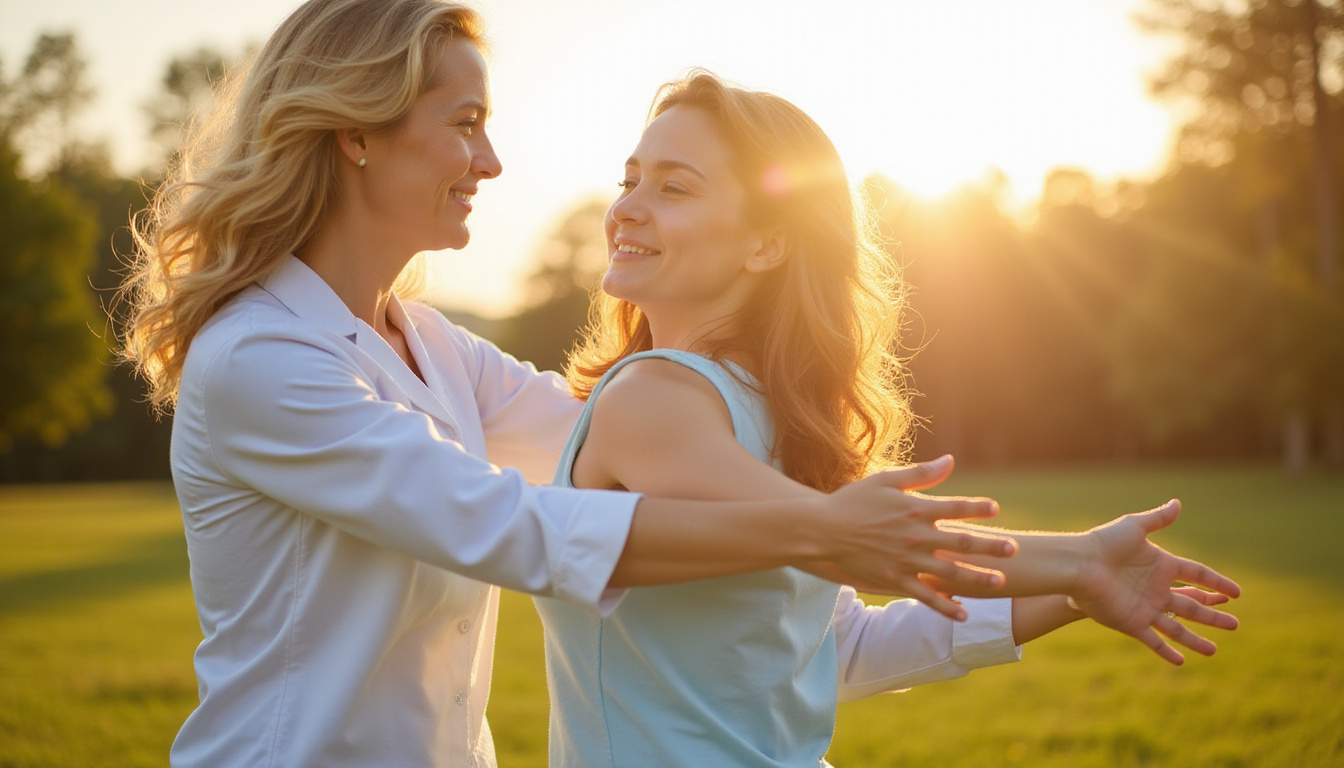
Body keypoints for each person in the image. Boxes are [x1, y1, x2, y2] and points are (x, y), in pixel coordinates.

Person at [117, 2, 1023, 766]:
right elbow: (513, 527)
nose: (491, 162)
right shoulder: (260, 360)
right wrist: (825, 527)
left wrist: (1070, 569)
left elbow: (624, 444)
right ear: (356, 129)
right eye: (465, 124)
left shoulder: (433, 346)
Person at [533, 72, 1241, 767]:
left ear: (767, 244)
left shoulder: (664, 397)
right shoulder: (663, 402)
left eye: (673, 186)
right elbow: (845, 541)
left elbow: (837, 638)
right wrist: (1078, 567)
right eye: (630, 181)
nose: (626, 207)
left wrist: (1076, 584)